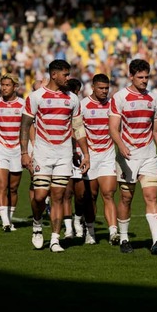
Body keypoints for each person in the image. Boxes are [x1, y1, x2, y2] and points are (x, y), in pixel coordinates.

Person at [20, 59, 89, 252]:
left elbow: (78, 128)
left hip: (63, 154)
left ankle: (55, 239)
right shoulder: (36, 96)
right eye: (65, 74)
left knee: (58, 196)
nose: (68, 78)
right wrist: (25, 152)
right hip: (42, 153)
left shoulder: (73, 99)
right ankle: (36, 224)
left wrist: (86, 154)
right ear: (53, 75)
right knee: (40, 196)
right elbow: (25, 126)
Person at [108, 59, 157, 256]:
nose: (144, 80)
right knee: (126, 198)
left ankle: (156, 241)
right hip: (127, 157)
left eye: (147, 77)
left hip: (148, 155)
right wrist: (121, 145)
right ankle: (125, 238)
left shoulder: (153, 99)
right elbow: (113, 127)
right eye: (140, 77)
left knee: (151, 196)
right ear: (131, 76)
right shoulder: (119, 98)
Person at [80, 73, 119, 245]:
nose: (104, 91)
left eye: (106, 88)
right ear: (93, 87)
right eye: (101, 88)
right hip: (89, 155)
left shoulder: (113, 104)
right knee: (91, 195)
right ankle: (90, 230)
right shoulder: (83, 105)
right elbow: (77, 130)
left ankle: (113, 233)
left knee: (109, 193)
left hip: (108, 154)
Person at [0, 74, 26, 232]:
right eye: (2, 85)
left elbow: (29, 128)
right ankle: (5, 222)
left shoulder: (23, 104)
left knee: (13, 188)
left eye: (8, 85)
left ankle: (10, 217)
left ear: (15, 87)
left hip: (17, 150)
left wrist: (29, 150)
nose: (4, 88)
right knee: (2, 186)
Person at [62, 78, 87, 240]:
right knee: (66, 194)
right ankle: (68, 228)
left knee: (81, 194)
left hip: (80, 153)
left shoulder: (81, 105)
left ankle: (78, 220)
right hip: (64, 153)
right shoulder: (64, 104)